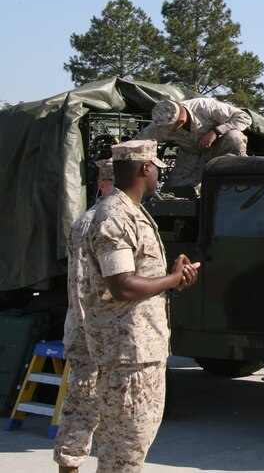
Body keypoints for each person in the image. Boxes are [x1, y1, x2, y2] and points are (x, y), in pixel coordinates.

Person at [79, 140, 199, 473]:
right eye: (157, 166)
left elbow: (135, 279)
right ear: (145, 168)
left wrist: (174, 277)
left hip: (140, 349)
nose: (160, 172)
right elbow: (122, 285)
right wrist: (172, 280)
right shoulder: (114, 216)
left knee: (131, 444)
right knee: (124, 449)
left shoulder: (132, 211)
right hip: (127, 353)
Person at [53, 159, 113, 472]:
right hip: (90, 334)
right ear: (102, 184)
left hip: (109, 337)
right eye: (112, 181)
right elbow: (78, 285)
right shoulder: (91, 222)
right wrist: (90, 336)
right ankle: (70, 465)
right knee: (82, 407)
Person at [137, 98, 251, 190]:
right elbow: (138, 143)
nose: (167, 131)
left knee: (235, 137)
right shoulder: (160, 124)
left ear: (181, 122)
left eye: (170, 128)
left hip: (219, 149)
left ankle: (236, 178)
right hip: (191, 155)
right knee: (172, 190)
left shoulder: (206, 107)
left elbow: (244, 118)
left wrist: (215, 132)